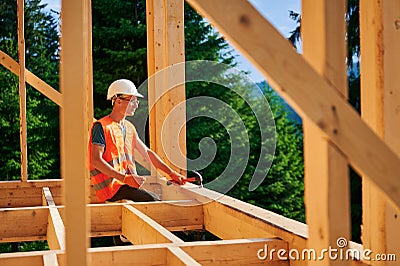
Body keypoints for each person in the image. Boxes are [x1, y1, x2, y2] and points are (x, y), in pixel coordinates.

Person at [89, 79, 185, 203]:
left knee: (155, 200)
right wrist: (124, 178)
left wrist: (172, 174)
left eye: (136, 101)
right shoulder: (101, 126)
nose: (137, 104)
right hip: (111, 190)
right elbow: (96, 160)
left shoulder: (129, 128)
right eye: (133, 101)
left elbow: (148, 154)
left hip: (126, 186)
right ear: (118, 101)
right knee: (154, 202)